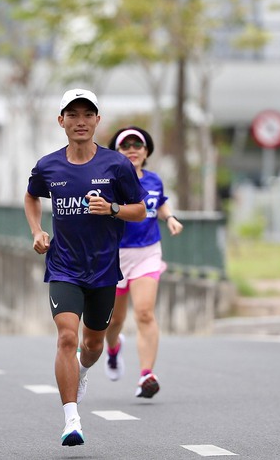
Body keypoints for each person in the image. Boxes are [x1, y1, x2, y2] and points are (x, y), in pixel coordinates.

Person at [24, 89, 147, 447]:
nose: (80, 121)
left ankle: (84, 368)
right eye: (72, 115)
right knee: (66, 337)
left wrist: (111, 209)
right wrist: (37, 230)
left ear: (97, 120)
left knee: (92, 344)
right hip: (63, 266)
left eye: (87, 114)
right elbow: (32, 195)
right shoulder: (49, 165)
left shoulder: (116, 165)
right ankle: (71, 419)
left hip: (104, 269)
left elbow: (138, 210)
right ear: (61, 121)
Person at [103, 126, 184, 399]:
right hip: (115, 256)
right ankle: (113, 350)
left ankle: (146, 374)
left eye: (138, 146)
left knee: (145, 313)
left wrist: (170, 218)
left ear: (146, 151)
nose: (132, 151)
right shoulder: (108, 181)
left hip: (147, 253)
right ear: (116, 152)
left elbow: (160, 203)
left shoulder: (154, 181)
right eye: (126, 146)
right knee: (114, 319)